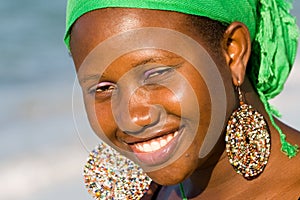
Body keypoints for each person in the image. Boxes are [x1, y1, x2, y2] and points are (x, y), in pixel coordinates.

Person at [64, 0, 300, 199]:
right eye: (103, 88)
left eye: (156, 74)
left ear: (232, 51)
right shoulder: (156, 192)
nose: (133, 118)